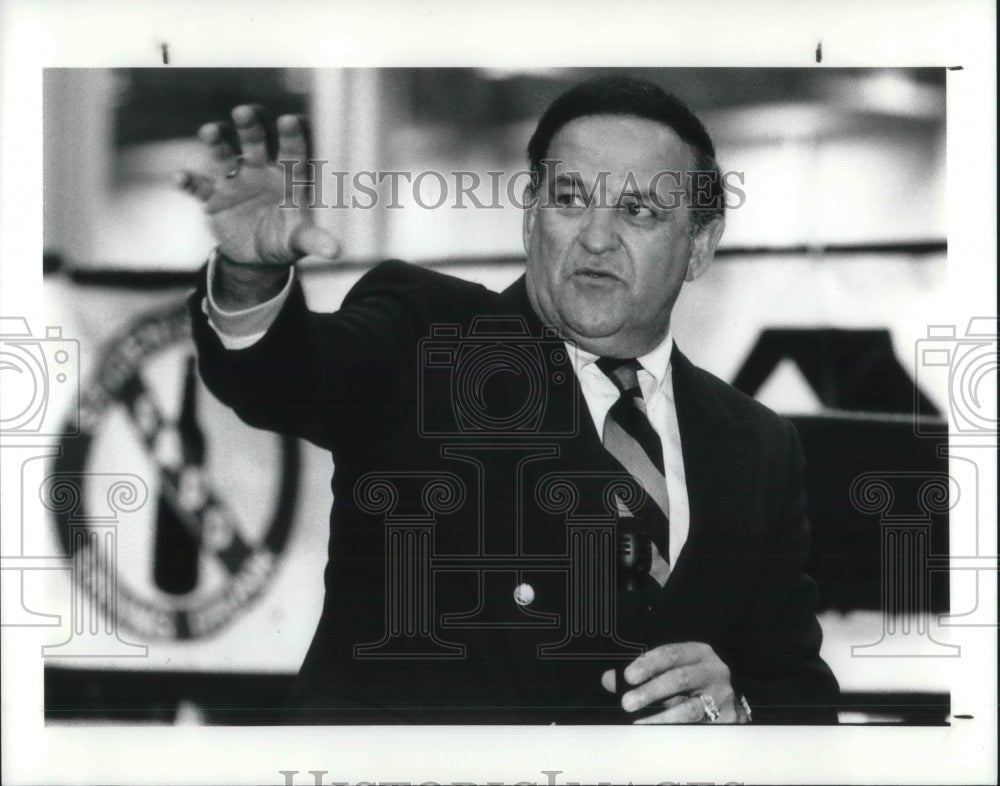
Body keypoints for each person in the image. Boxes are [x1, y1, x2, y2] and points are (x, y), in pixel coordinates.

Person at [181, 76, 840, 724]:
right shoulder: (431, 335)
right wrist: (248, 279)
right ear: (530, 215)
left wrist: (741, 708)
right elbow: (288, 375)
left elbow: (801, 693)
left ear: (699, 245)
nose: (596, 237)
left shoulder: (757, 445)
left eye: (639, 211)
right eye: (570, 199)